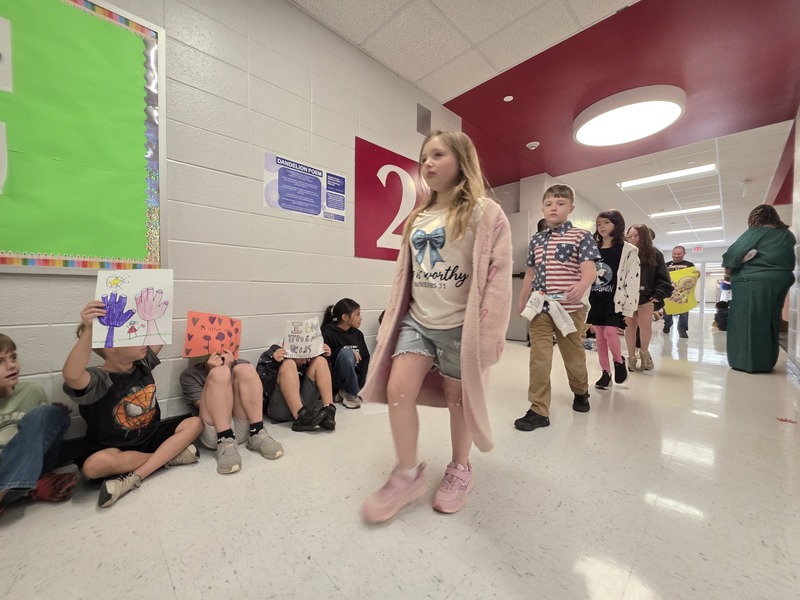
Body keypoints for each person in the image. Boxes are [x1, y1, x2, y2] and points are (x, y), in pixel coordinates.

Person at [360, 130, 512, 523]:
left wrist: (490, 336)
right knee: (397, 390)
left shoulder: (485, 212)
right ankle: (407, 474)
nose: (426, 163)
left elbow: (498, 277)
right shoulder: (417, 217)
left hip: (462, 327)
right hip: (417, 320)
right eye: (424, 156)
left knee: (458, 402)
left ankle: (460, 468)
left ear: (461, 159)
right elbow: (405, 276)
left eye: (437, 155)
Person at [62, 301, 203, 508]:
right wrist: (91, 329)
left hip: (150, 435)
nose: (144, 339)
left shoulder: (142, 363)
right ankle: (169, 457)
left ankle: (135, 477)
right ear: (110, 346)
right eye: (135, 336)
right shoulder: (97, 379)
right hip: (114, 448)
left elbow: (159, 336)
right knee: (93, 467)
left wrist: (152, 315)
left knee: (195, 423)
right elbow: (71, 375)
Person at [515, 184, 600, 431]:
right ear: (542, 208)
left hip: (570, 309)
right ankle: (538, 410)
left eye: (560, 203)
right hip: (540, 306)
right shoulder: (536, 240)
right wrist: (522, 298)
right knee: (539, 359)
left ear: (570, 208)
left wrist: (582, 285)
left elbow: (590, 270)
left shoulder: (581, 237)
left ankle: (581, 391)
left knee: (573, 357)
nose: (554, 207)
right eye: (549, 203)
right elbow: (530, 273)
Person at [0, 334, 76, 515]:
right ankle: (30, 488)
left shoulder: (32, 391)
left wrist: (54, 415)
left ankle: (7, 490)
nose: (12, 365)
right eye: (0, 361)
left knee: (47, 413)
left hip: (32, 462)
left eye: (13, 357)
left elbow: (42, 438)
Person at [180, 350, 284, 475]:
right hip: (215, 432)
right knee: (219, 374)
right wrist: (220, 372)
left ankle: (258, 432)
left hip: (243, 428)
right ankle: (226, 441)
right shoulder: (190, 375)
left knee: (246, 369)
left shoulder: (239, 364)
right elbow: (205, 406)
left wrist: (229, 368)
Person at [722, 204, 796, 373]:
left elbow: (733, 254)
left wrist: (729, 272)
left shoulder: (756, 232)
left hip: (753, 282)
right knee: (770, 319)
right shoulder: (787, 235)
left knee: (747, 321)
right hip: (781, 279)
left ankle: (747, 362)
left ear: (754, 218)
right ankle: (766, 360)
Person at [587, 210, 640, 390]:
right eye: (599, 223)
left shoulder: (628, 250)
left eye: (606, 223)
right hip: (595, 298)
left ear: (616, 225)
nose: (601, 226)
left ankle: (618, 361)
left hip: (615, 299)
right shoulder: (592, 248)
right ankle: (605, 373)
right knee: (600, 338)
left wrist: (629, 309)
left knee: (610, 333)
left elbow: (633, 280)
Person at [624, 225, 673, 371]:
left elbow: (663, 276)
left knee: (645, 326)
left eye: (636, 235)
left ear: (644, 236)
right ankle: (631, 357)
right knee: (629, 327)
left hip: (646, 296)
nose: (632, 239)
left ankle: (644, 354)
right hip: (628, 296)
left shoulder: (654, 253)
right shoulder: (625, 252)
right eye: (630, 235)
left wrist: (658, 294)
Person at [256, 343, 336, 431]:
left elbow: (322, 386)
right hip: (280, 407)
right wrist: (274, 364)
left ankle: (329, 410)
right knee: (288, 364)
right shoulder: (271, 354)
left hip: (306, 408)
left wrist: (326, 358)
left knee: (320, 361)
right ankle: (299, 416)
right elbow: (260, 389)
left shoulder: (309, 358)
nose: (305, 358)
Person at [322, 298, 370, 409]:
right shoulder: (328, 333)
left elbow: (365, 359)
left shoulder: (358, 334)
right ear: (345, 317)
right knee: (346, 354)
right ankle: (350, 394)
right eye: (357, 315)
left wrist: (362, 386)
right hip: (338, 380)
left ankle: (350, 391)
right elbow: (326, 363)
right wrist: (346, 351)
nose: (361, 318)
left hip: (356, 380)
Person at [663, 245, 695, 338]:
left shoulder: (689, 265)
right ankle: (667, 324)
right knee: (667, 313)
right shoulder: (666, 265)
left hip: (683, 294)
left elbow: (692, 278)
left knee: (684, 313)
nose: (676, 256)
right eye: (674, 254)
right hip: (669, 294)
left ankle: (682, 331)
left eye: (679, 254)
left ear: (684, 254)